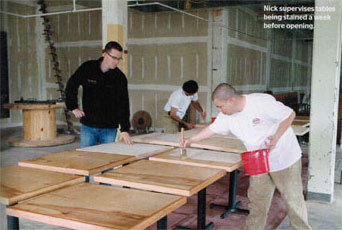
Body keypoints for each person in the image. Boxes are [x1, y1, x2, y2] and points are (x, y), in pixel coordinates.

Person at [183, 83, 311, 230]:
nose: (219, 110)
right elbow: (212, 129)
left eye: (220, 106)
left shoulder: (260, 102)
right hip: (258, 161)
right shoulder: (226, 115)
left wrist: (275, 137)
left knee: (293, 201)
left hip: (283, 157)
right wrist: (191, 140)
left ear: (231, 100)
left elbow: (289, 114)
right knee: (257, 203)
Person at [65, 41, 133, 147]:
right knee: (86, 159)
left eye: (119, 59)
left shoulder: (119, 77)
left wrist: (124, 129)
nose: (116, 62)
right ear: (104, 54)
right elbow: (71, 85)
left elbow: (123, 104)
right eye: (114, 58)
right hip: (88, 126)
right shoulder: (88, 68)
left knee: (107, 160)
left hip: (109, 128)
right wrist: (73, 106)